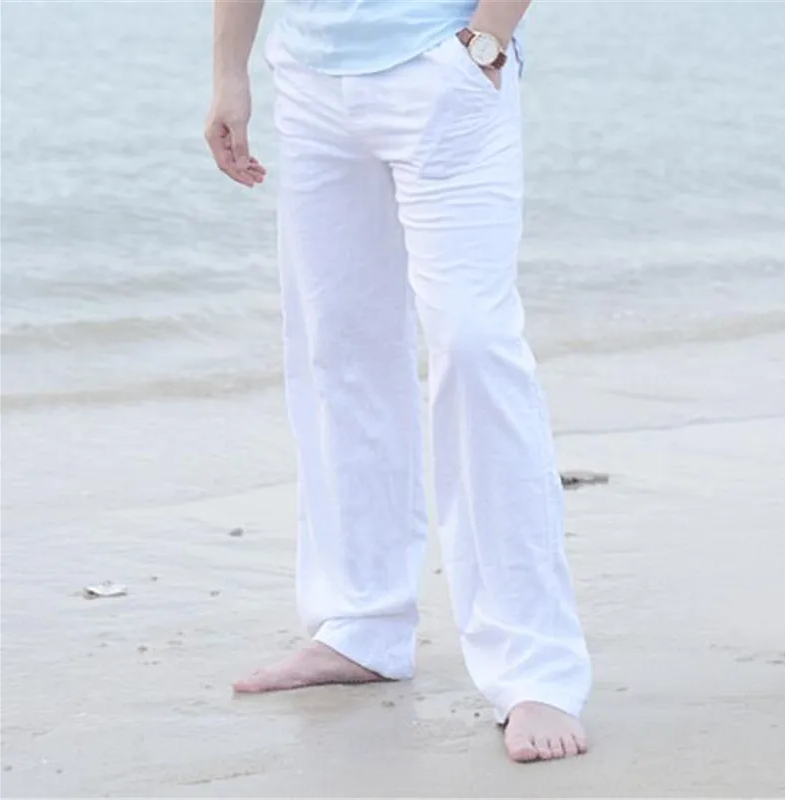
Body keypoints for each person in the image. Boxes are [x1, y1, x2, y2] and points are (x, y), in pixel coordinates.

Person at [205, 0, 591, 763]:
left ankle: (535, 667)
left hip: (441, 70)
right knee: (338, 345)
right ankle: (361, 622)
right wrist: (229, 72)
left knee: (475, 347)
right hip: (311, 78)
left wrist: (487, 40)